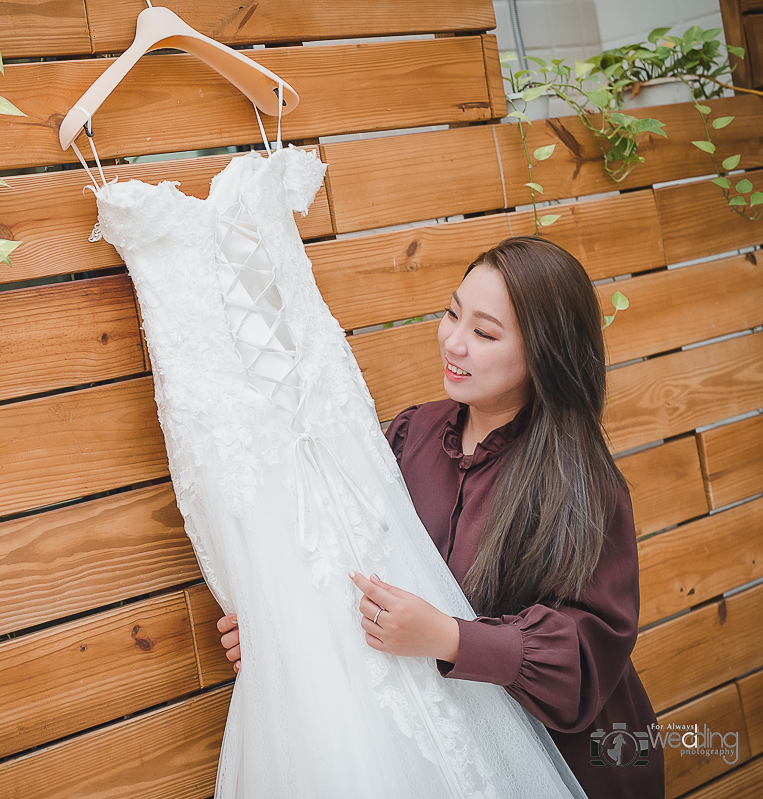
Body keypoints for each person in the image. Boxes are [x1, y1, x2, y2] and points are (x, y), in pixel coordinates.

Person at [217, 236, 665, 798]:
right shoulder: (410, 435)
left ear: (543, 353)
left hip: (571, 766)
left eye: (483, 333)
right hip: (444, 755)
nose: (453, 341)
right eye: (452, 313)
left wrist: (452, 638)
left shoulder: (583, 488)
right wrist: (282, 622)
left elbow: (586, 654)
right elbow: (345, 552)